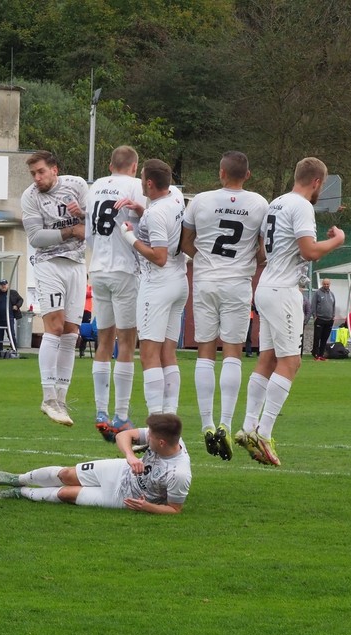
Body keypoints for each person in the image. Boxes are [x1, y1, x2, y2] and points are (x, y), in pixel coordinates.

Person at [236, 157, 345, 466]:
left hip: (266, 286)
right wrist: (336, 241)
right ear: (317, 183)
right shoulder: (301, 206)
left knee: (267, 358)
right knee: (291, 362)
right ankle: (264, 432)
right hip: (283, 291)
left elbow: (265, 249)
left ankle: (248, 426)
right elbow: (309, 250)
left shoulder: (277, 203)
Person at [180, 150, 268, 461]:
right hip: (238, 284)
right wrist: (247, 261)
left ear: (220, 173)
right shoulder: (259, 203)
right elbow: (264, 248)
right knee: (232, 351)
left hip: (205, 281)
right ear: (248, 174)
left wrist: (203, 259)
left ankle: (205, 424)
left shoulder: (201, 200)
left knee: (205, 350)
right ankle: (225, 424)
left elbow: (185, 240)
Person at [0, 413, 191, 514]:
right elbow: (124, 436)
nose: (148, 438)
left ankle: (19, 493)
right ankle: (17, 479)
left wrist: (146, 506)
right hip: (118, 470)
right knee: (66, 474)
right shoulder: (167, 438)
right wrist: (130, 456)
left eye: (151, 437)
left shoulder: (178, 474)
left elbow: (175, 509)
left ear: (162, 442)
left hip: (124, 497)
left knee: (65, 493)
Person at [20, 150, 88, 426]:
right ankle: (48, 397)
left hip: (77, 264)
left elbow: (96, 222)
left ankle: (61, 399)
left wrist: (82, 214)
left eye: (41, 172)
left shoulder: (78, 186)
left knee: (72, 333)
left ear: (54, 170)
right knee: (56, 327)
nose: (37, 178)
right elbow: (36, 238)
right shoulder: (30, 197)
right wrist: (71, 230)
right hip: (48, 263)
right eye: (33, 174)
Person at [86, 145, 147, 442]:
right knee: (126, 342)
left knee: (103, 340)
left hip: (97, 268)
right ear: (135, 167)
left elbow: (89, 233)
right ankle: (121, 415)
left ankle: (100, 411)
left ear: (111, 165)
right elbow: (152, 222)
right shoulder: (137, 187)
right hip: (125, 269)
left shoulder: (95, 187)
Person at [118, 159, 187, 419]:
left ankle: (156, 416)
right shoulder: (176, 196)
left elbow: (159, 257)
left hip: (157, 285)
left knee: (148, 354)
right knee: (168, 352)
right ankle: (170, 413)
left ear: (149, 183)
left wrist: (130, 237)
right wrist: (140, 210)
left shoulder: (156, 213)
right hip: (180, 281)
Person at [0, 279, 23, 356]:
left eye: (5, 284)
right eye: (2, 285)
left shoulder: (13, 293)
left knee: (11, 335)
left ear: (7, 285)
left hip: (10, 318)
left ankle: (14, 350)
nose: (3, 286)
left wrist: (17, 306)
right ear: (0, 285)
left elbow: (20, 300)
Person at [310, 278, 336, 361]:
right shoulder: (317, 293)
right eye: (324, 284)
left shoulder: (331, 294)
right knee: (317, 338)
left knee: (325, 339)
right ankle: (316, 354)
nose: (326, 285)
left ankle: (321, 355)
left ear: (329, 284)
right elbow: (313, 305)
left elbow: (333, 305)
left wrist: (333, 316)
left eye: (327, 284)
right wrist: (315, 316)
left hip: (329, 320)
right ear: (322, 284)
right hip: (320, 319)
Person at [77, 280, 94, 358]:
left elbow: (91, 294)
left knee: (85, 332)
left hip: (87, 311)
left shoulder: (90, 288)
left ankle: (82, 350)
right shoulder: (78, 287)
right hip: (79, 310)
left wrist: (83, 294)